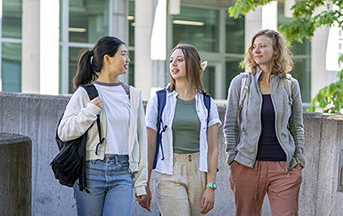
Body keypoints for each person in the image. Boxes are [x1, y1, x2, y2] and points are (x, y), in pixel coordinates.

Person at [57, 36, 147, 216]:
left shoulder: (132, 95)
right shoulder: (85, 93)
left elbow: (141, 141)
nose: (128, 59)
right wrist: (89, 111)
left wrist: (141, 183)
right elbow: (64, 132)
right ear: (107, 59)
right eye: (123, 54)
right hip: (91, 172)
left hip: (123, 172)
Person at [224, 29, 305, 216]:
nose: (257, 50)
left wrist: (298, 160)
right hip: (246, 165)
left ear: (276, 50)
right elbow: (230, 125)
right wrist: (233, 160)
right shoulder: (240, 83)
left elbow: (297, 126)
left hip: (284, 167)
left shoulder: (290, 85)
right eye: (254, 47)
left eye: (262, 46)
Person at [140, 44, 221, 215]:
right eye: (171, 61)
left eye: (180, 60)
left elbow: (213, 149)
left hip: (200, 172)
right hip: (169, 172)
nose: (173, 64)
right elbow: (150, 146)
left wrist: (211, 186)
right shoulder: (159, 100)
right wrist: (144, 183)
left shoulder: (207, 103)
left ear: (192, 64)